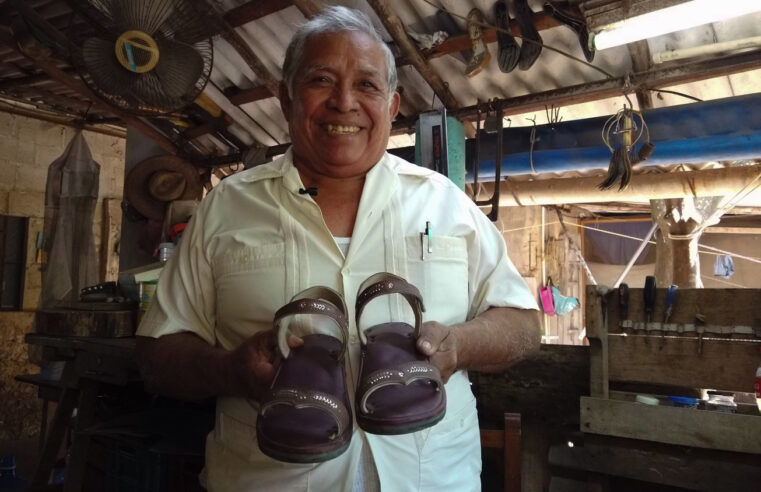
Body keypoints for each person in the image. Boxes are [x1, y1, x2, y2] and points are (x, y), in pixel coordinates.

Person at [135, 6, 540, 492]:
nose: (344, 102)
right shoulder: (225, 207)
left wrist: (460, 345)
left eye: (367, 85)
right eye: (321, 80)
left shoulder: (445, 202)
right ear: (287, 100)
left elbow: (523, 323)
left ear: (392, 107)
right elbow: (157, 353)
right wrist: (229, 371)